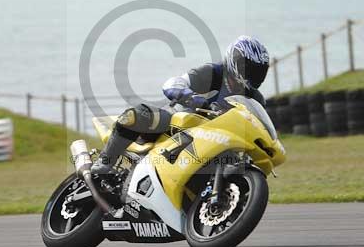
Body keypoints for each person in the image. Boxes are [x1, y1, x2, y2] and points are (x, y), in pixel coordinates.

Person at [90, 35, 270, 177]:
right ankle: (105, 160)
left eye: (258, 71)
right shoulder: (214, 74)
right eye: (250, 68)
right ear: (236, 61)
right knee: (138, 115)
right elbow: (172, 83)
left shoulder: (255, 99)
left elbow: (257, 127)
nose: (254, 75)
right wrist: (191, 98)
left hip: (216, 140)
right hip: (180, 123)